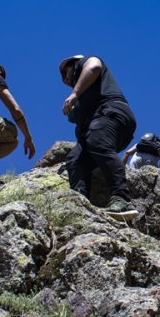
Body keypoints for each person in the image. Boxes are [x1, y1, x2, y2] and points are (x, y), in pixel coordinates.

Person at [59, 55, 139, 220]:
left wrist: (74, 94)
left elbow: (94, 66)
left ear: (75, 64)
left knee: (97, 142)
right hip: (100, 127)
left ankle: (122, 199)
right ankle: (80, 203)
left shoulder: (88, 63)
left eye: (66, 72)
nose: (65, 78)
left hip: (112, 113)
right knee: (75, 159)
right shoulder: (84, 96)